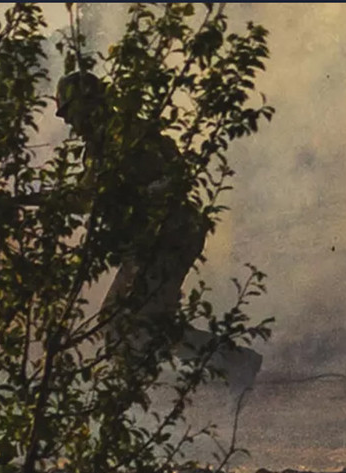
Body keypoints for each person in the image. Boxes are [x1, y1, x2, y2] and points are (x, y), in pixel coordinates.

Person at [54, 70, 262, 395]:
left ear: (90, 104)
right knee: (131, 320)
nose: (71, 124)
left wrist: (141, 200)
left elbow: (174, 176)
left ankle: (138, 388)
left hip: (168, 236)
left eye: (72, 113)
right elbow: (86, 198)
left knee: (130, 321)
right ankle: (228, 363)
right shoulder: (106, 142)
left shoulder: (125, 135)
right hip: (157, 239)